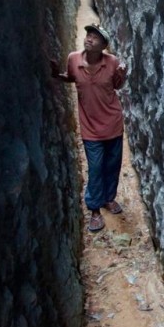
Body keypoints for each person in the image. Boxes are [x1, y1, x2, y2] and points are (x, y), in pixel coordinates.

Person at [50, 24, 128, 232]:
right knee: (95, 168)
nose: (89, 39)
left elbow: (117, 85)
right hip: (90, 127)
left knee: (112, 165)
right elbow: (71, 77)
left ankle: (108, 198)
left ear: (103, 46)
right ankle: (94, 208)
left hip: (112, 123)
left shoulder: (112, 62)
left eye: (95, 37)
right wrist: (57, 75)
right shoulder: (73, 59)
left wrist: (123, 75)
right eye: (89, 35)